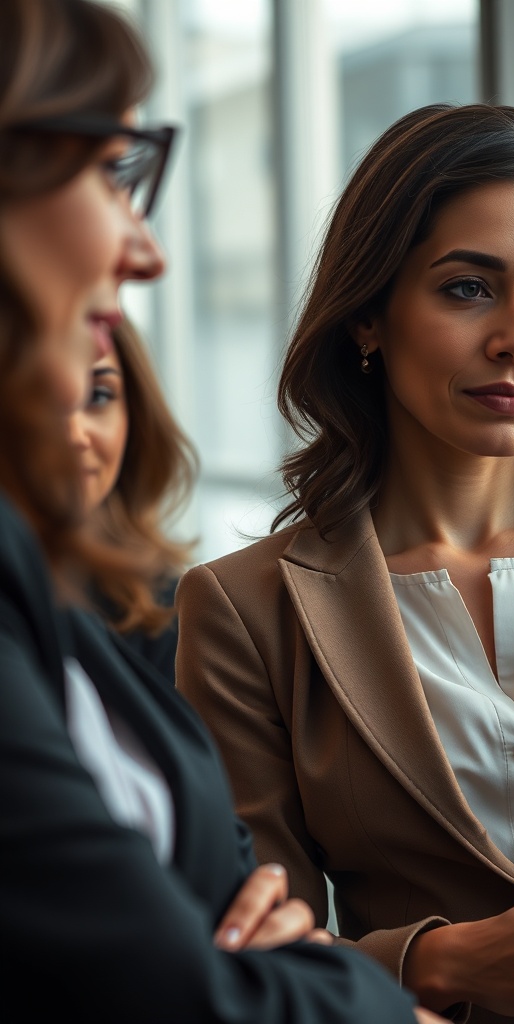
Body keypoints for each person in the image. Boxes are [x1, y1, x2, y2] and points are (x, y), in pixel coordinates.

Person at [0, 2, 437, 1022]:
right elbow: (171, 977)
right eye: (112, 173)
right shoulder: (232, 600)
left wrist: (283, 962)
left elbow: (240, 900)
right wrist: (401, 986)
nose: (145, 250)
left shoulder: (76, 595)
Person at [176, 101, 514, 1023]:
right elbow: (242, 948)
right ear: (367, 317)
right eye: (468, 287)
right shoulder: (246, 611)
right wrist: (429, 963)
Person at [68, 317, 196, 683]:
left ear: (134, 416)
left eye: (98, 395)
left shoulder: (173, 607)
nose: (75, 434)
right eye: (36, 394)